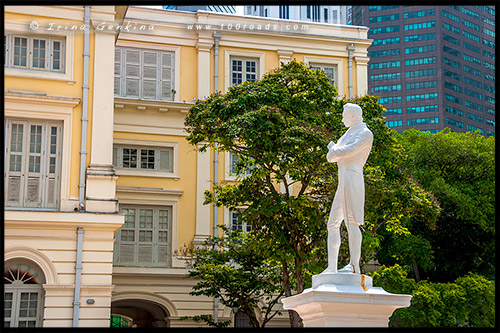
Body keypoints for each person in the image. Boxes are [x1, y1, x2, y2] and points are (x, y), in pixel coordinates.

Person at [323, 103, 373, 274]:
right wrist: (335, 150)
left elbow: (344, 152)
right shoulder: (347, 134)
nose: (342, 118)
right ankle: (331, 267)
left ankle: (354, 266)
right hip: (342, 180)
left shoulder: (365, 133)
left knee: (352, 222)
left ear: (353, 116)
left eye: (344, 115)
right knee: (332, 224)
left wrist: (335, 149)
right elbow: (331, 157)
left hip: (352, 178)